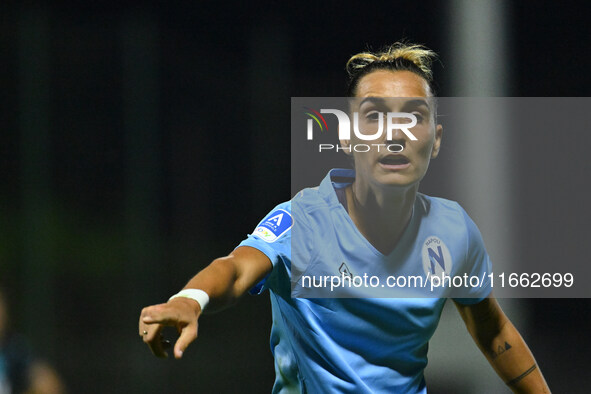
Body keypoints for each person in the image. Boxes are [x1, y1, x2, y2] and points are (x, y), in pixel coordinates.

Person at [139, 42, 550, 393]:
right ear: (347, 135)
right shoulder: (303, 222)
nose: (394, 133)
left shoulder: (453, 230)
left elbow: (494, 331)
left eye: (413, 116)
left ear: (436, 140)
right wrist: (190, 299)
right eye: (375, 116)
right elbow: (235, 269)